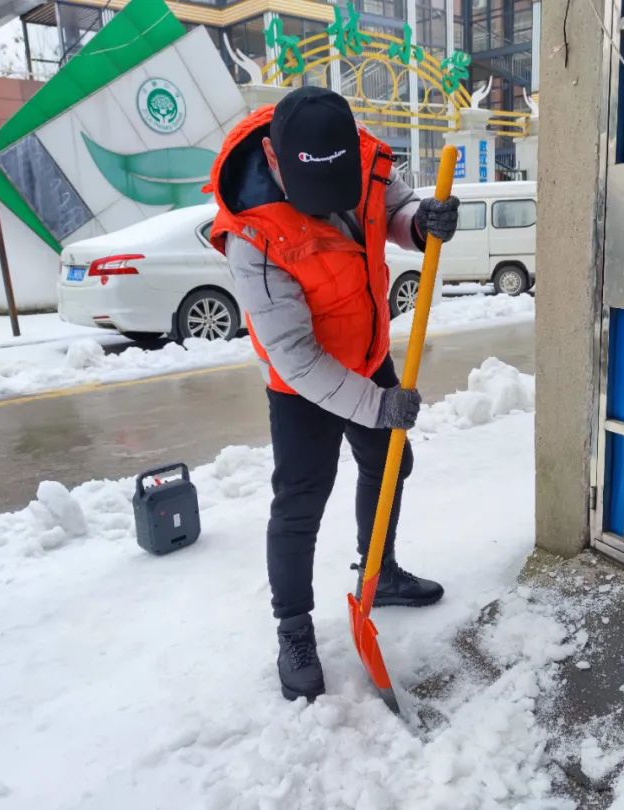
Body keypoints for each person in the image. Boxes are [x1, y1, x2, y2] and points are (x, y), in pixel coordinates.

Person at [208, 86, 460, 702]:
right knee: (300, 502)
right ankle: (293, 629)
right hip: (302, 384)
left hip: (367, 354)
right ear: (274, 158)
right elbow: (296, 357)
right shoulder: (252, 234)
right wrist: (377, 405)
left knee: (390, 460)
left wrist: (418, 223)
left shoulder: (366, 159)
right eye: (314, 195)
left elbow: (392, 207)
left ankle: (380, 571)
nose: (330, 206)